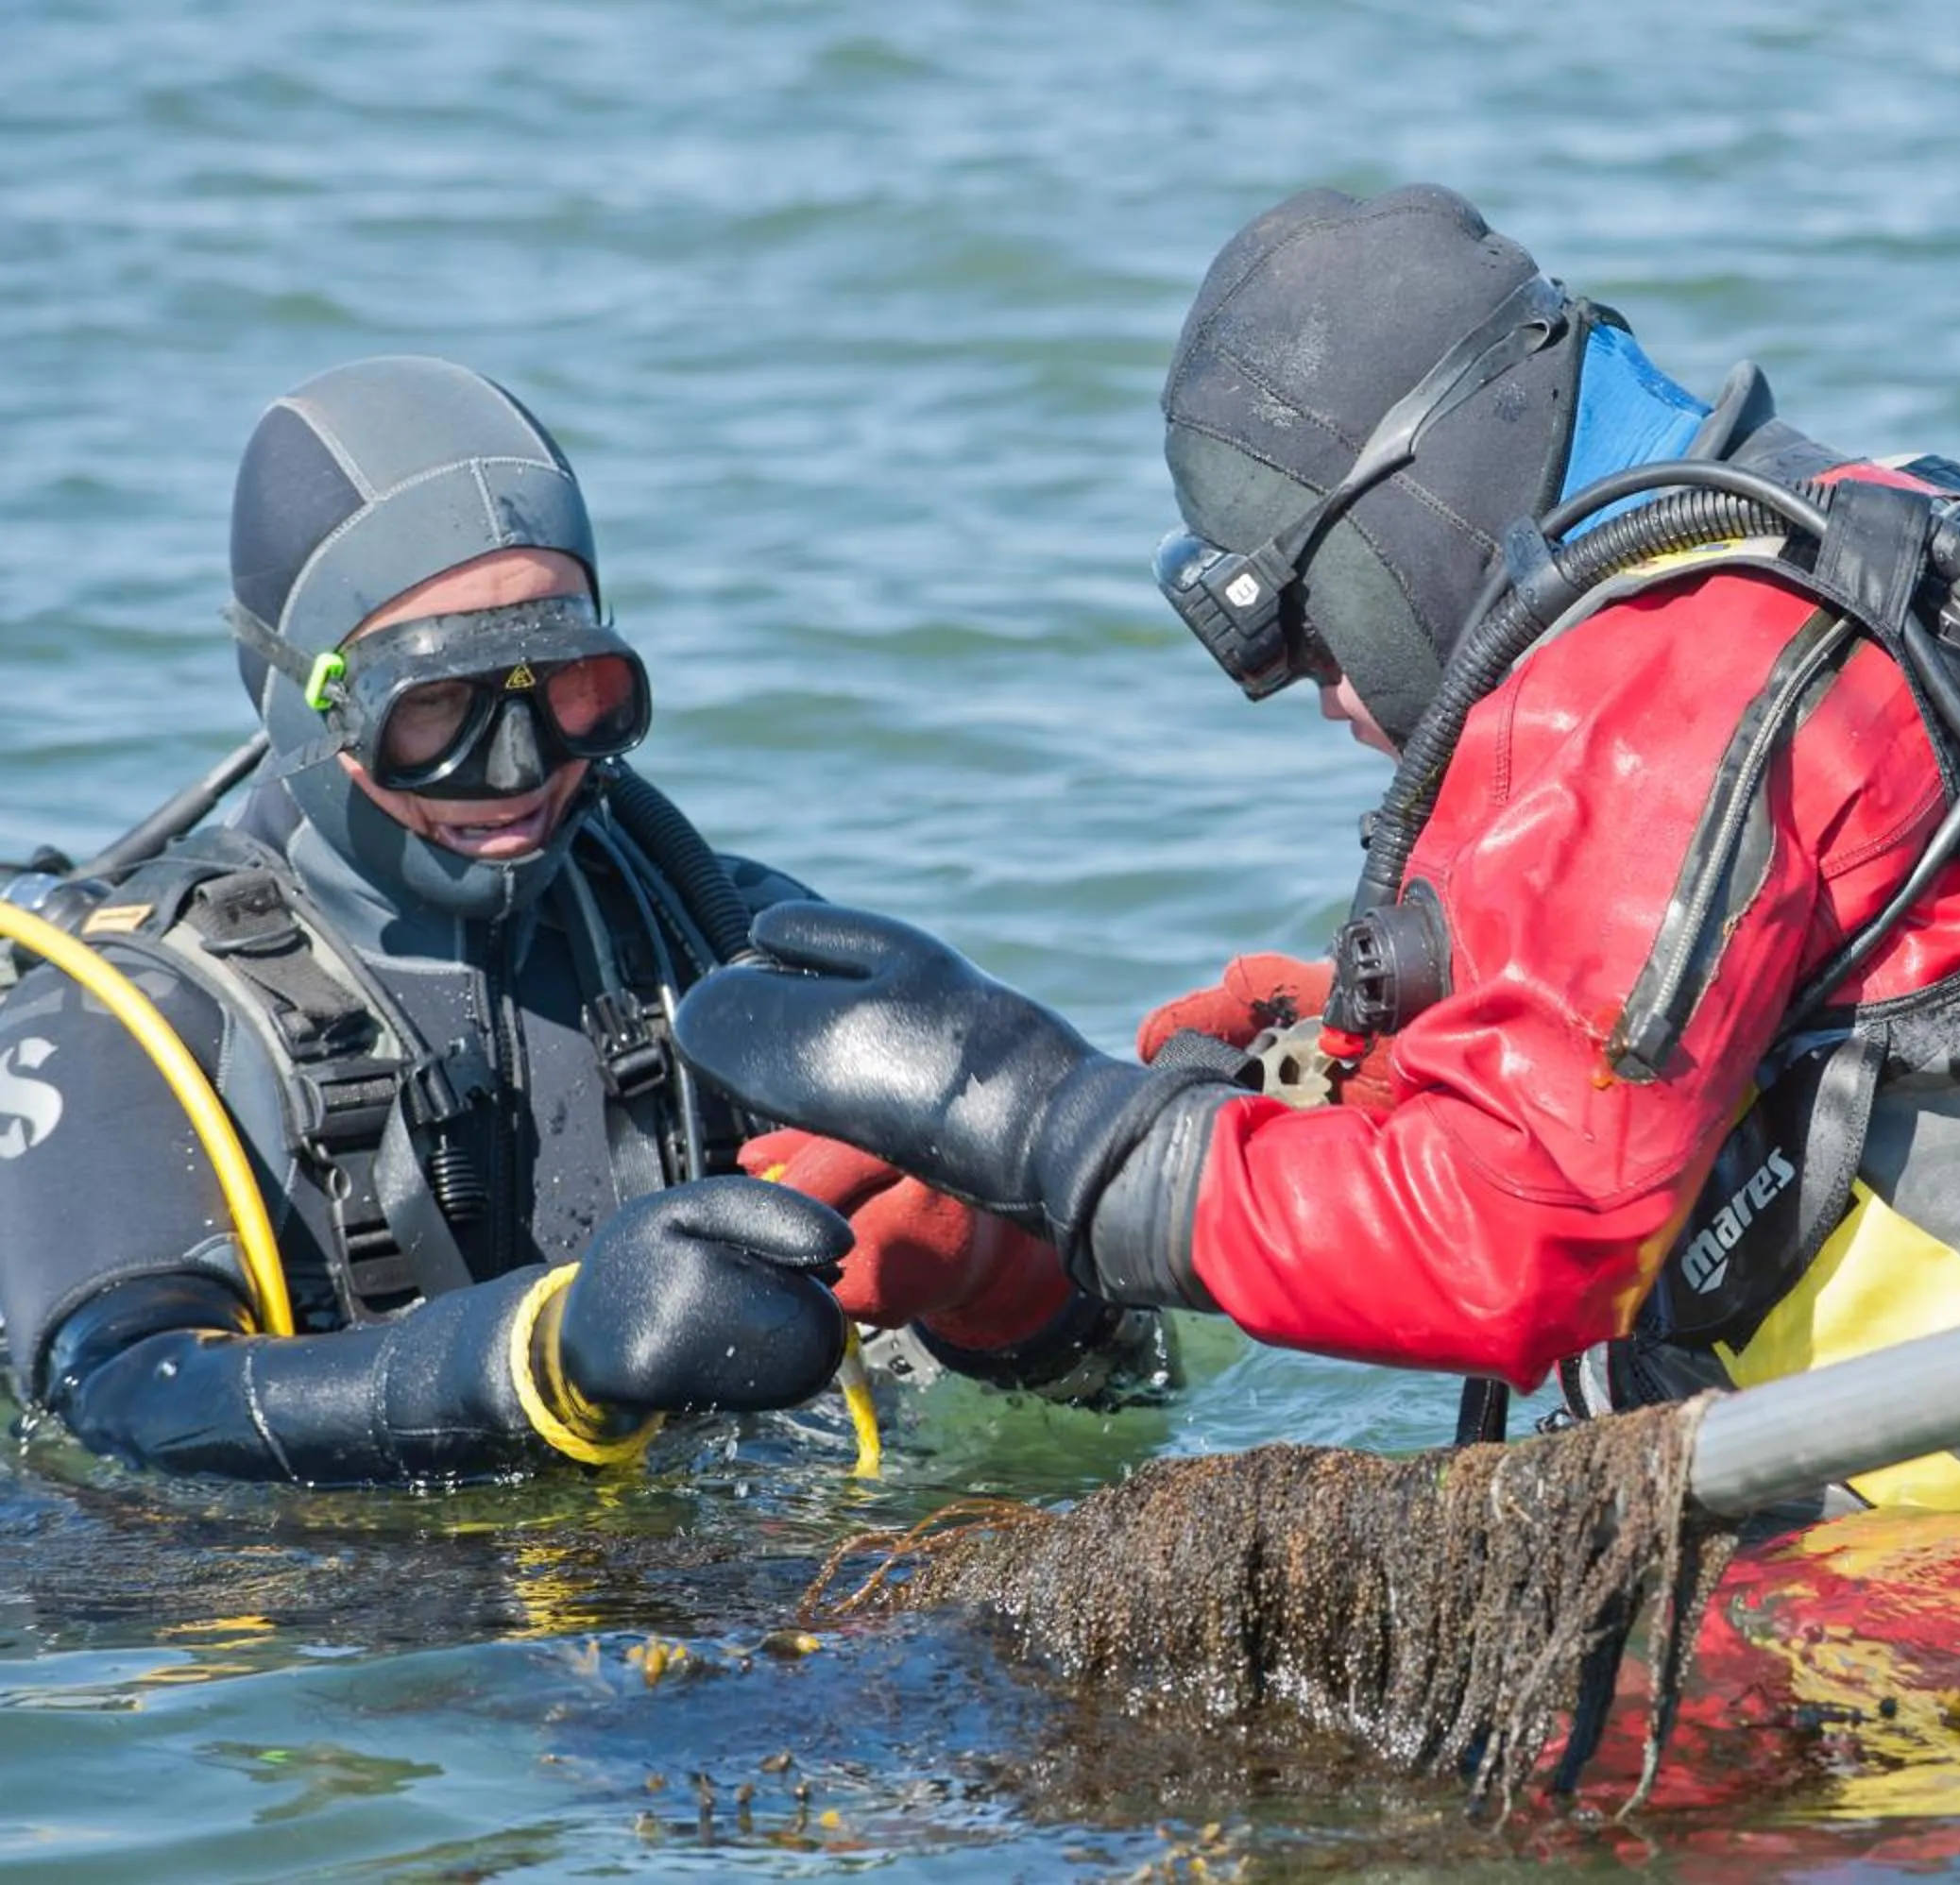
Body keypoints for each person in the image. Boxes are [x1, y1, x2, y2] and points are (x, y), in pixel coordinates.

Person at [673, 185, 1960, 1511]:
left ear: (1396, 513)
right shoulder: (1881, 516)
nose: (1314, 692)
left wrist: (1044, 1124)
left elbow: (1507, 1246)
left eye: (1296, 621)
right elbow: (1822, 1008)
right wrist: (1349, 1055)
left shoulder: (1668, 674)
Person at [0, 355, 1150, 1486]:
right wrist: (543, 1361)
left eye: (567, 690)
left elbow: (1127, 1392)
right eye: (435, 707)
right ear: (307, 697)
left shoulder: (719, 942)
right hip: (327, 1633)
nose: (516, 770)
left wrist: (1005, 1284)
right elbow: (123, 1404)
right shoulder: (122, 1021)